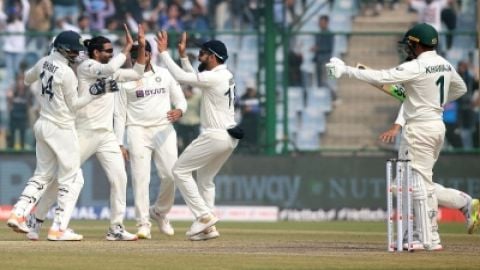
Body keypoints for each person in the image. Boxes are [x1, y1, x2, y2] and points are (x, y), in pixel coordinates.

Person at [326, 23, 467, 250]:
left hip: (419, 130)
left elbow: (384, 76)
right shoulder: (444, 65)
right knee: (408, 185)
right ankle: (459, 208)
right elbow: (460, 90)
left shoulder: (417, 66)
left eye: (410, 44)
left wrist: (346, 70)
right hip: (436, 126)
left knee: (416, 186)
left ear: (417, 44)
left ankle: (428, 239)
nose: (408, 49)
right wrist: (432, 100)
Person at [25, 25, 147, 241]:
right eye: (107, 51)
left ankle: (116, 228)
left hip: (106, 135)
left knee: (120, 178)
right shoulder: (86, 67)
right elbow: (109, 70)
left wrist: (142, 46)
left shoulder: (111, 69)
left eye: (112, 51)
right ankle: (37, 219)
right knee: (63, 178)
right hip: (84, 130)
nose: (110, 54)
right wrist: (126, 48)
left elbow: (138, 72)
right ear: (96, 52)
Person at [6, 30, 100, 241]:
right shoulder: (66, 73)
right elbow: (74, 106)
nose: (78, 55)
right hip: (61, 128)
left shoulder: (43, 61)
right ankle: (58, 228)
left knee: (42, 175)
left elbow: (28, 79)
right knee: (73, 178)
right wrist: (93, 92)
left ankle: (18, 213)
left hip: (43, 124)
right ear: (64, 50)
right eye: (75, 51)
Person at [156, 31, 240, 241]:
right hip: (229, 138)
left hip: (215, 135)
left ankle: (203, 216)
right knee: (205, 178)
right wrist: (184, 57)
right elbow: (194, 80)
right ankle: (208, 229)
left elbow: (184, 78)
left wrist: (165, 53)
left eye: (202, 54)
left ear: (213, 57)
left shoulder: (215, 77)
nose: (199, 56)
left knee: (179, 170)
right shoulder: (224, 75)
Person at [114, 40, 186, 240]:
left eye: (141, 53)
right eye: (134, 54)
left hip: (163, 128)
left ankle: (160, 212)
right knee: (140, 178)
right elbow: (119, 115)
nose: (138, 57)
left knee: (172, 174)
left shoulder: (164, 74)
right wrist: (120, 143)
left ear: (149, 55)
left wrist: (180, 110)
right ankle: (143, 223)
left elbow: (180, 99)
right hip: (136, 130)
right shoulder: (124, 80)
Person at [379, 104, 480, 239]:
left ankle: (422, 231)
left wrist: (396, 126)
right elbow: (459, 89)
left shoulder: (419, 86)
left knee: (403, 186)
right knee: (415, 184)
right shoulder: (436, 87)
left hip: (417, 135)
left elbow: (410, 99)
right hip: (431, 131)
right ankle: (464, 203)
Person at [176, 85, 201, 153]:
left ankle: (195, 154)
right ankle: (185, 154)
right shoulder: (181, 99)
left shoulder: (197, 97)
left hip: (195, 122)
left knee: (196, 141)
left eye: (187, 91)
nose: (186, 93)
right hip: (183, 123)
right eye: (185, 91)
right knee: (185, 141)